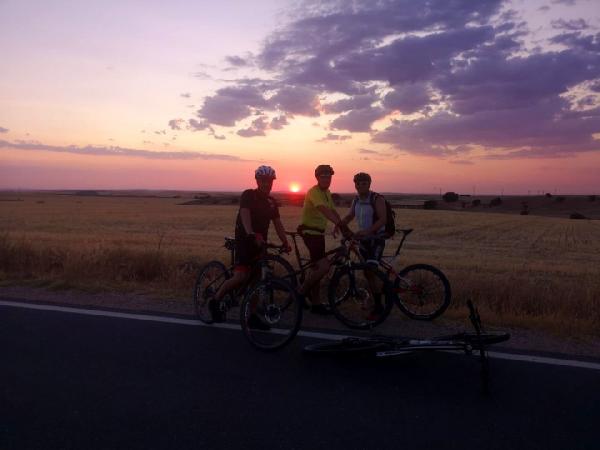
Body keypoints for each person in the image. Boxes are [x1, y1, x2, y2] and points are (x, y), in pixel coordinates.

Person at [209, 165, 291, 327]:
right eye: (263, 180)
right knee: (241, 277)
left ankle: (252, 316)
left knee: (256, 281)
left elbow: (278, 224)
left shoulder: (271, 202)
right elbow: (245, 214)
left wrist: (285, 241)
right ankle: (215, 300)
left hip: (261, 244)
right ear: (257, 181)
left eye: (269, 181)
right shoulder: (249, 195)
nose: (267, 184)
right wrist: (251, 233)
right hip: (245, 241)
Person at [297, 164, 349, 314]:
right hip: (310, 233)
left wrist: (343, 226)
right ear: (317, 178)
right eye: (323, 176)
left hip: (318, 234)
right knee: (324, 267)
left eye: (329, 176)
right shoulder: (313, 192)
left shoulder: (327, 193)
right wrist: (339, 224)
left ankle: (316, 303)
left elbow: (333, 211)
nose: (327, 179)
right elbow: (325, 211)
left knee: (316, 269)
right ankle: (301, 292)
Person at [335, 172, 387, 319]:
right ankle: (378, 298)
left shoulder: (377, 199)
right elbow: (350, 216)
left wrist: (367, 231)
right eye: (358, 183)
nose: (360, 186)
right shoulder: (356, 200)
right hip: (364, 241)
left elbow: (383, 219)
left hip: (376, 239)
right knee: (367, 272)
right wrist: (339, 225)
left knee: (371, 270)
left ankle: (379, 307)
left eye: (364, 183)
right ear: (355, 184)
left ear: (369, 184)